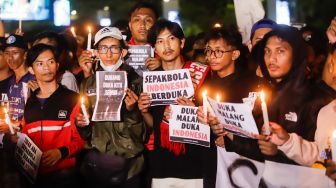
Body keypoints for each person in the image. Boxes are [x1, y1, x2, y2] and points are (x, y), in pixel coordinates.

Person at [138, 19, 210, 188]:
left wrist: (193, 112)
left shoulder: (200, 74)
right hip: (161, 164)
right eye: (160, 41)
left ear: (182, 42)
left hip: (195, 163)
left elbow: (211, 124)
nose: (167, 46)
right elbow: (153, 125)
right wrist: (144, 111)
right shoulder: (151, 80)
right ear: (155, 48)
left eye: (171, 39)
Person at [77, 27, 146, 188]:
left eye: (114, 48)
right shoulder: (88, 84)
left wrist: (132, 111)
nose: (108, 54)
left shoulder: (137, 83)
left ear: (123, 52)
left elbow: (144, 133)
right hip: (98, 163)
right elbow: (86, 133)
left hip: (130, 164)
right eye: (103, 48)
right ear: (96, 52)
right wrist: (81, 124)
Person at [9, 44, 85, 187]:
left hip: (65, 176)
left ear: (57, 65)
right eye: (40, 63)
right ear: (31, 69)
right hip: (36, 177)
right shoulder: (30, 103)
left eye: (50, 62)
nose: (46, 67)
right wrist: (17, 137)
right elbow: (26, 137)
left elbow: (83, 139)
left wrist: (61, 152)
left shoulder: (72, 99)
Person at [252, 25, 327, 164]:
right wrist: (227, 133)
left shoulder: (317, 100)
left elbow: (322, 156)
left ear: (297, 54)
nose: (271, 59)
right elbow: (251, 145)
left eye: (280, 51)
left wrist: (278, 152)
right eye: (267, 51)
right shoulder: (262, 95)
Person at [196, 27, 269, 162]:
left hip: (246, 163)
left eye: (218, 51)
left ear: (235, 54)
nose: (211, 56)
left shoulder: (252, 85)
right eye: (208, 50)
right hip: (213, 163)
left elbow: (257, 127)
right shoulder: (206, 87)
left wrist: (230, 139)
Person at [3, 34, 35, 124]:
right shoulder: (10, 81)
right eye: (7, 53)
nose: (10, 58)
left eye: (15, 53)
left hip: (28, 135)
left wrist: (17, 125)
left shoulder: (33, 79)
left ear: (25, 55)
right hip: (12, 135)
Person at [128, 1, 160, 71]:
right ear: (130, 26)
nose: (142, 25)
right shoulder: (120, 52)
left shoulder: (166, 52)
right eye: (137, 20)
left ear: (156, 25)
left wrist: (162, 67)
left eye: (148, 20)